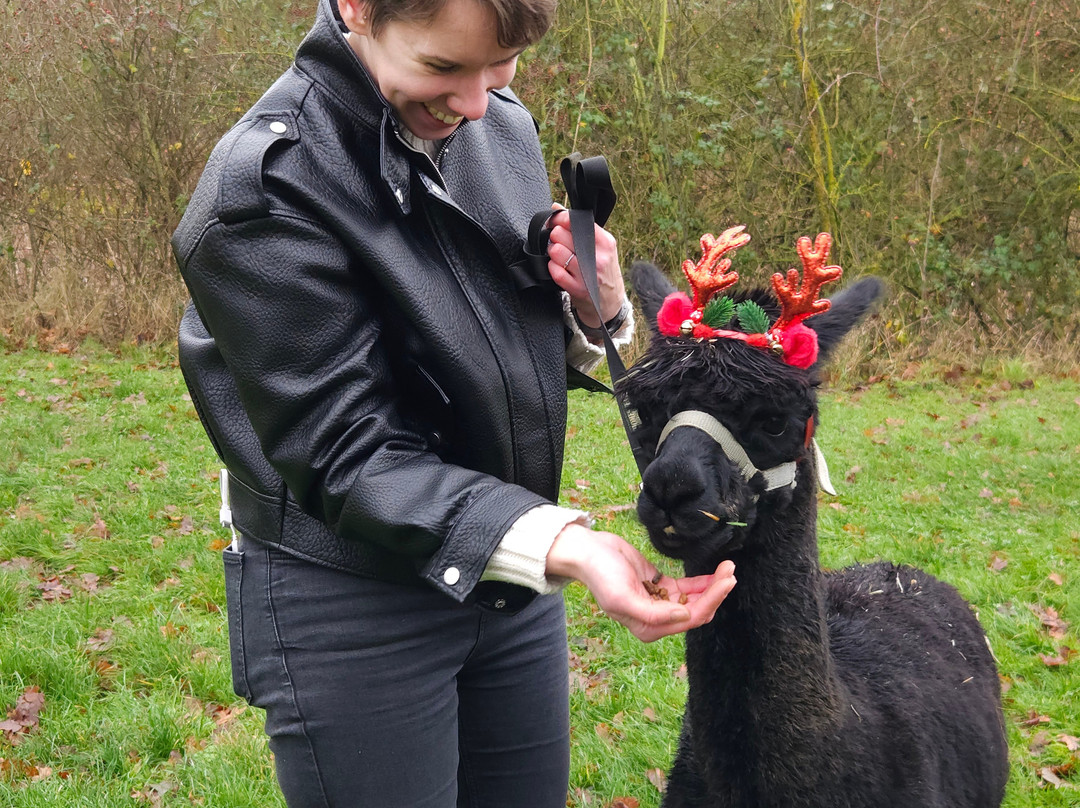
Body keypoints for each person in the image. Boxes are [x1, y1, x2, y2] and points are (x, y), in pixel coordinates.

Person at [172, 0, 737, 805]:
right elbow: (347, 454)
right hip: (351, 598)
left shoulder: (498, 126)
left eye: (499, 67)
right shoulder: (263, 191)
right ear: (359, 8)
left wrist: (597, 310)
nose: (475, 103)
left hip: (510, 581)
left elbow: (498, 338)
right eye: (444, 67)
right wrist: (569, 546)